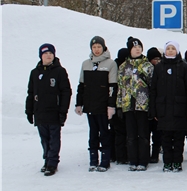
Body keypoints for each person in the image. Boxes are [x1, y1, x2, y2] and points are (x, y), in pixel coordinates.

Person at [26, 43, 72, 176]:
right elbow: (30, 93)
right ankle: (46, 159)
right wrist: (29, 111)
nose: (48, 56)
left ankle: (52, 162)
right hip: (40, 112)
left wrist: (63, 111)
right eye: (45, 54)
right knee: (44, 138)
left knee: (54, 138)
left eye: (51, 53)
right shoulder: (35, 73)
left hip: (54, 112)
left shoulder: (59, 71)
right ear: (41, 56)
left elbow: (66, 92)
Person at [150, 40, 187, 172]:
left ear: (177, 51)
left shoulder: (184, 67)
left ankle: (177, 162)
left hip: (179, 109)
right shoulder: (159, 67)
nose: (170, 50)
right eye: (168, 48)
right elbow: (153, 90)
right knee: (166, 138)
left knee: (179, 138)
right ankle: (167, 162)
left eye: (173, 48)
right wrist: (154, 111)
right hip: (163, 109)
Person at [75, 36, 118, 172]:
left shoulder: (110, 63)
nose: (97, 50)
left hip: (103, 106)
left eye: (99, 47)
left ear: (104, 47)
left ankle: (105, 160)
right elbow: (81, 86)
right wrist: (79, 103)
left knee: (104, 133)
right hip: (90, 105)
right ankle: (93, 160)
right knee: (93, 133)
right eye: (94, 47)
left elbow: (112, 86)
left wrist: (111, 105)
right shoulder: (86, 64)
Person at [117, 37, 154, 171]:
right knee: (131, 135)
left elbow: (153, 87)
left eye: (139, 47)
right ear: (129, 49)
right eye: (134, 47)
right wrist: (119, 105)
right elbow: (120, 87)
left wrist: (152, 106)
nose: (137, 49)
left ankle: (143, 160)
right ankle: (132, 159)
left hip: (143, 105)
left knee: (143, 134)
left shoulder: (148, 66)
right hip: (128, 105)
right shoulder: (123, 67)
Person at [110, 48, 129, 165]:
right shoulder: (118, 68)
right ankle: (121, 155)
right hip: (119, 103)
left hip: (118, 104)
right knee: (120, 132)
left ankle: (116, 155)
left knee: (117, 132)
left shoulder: (115, 66)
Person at [147, 47, 163, 163]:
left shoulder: (161, 70)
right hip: (146, 106)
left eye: (159, 59)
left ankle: (155, 154)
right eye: (154, 59)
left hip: (158, 106)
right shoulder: (146, 70)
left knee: (157, 134)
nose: (157, 61)